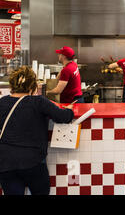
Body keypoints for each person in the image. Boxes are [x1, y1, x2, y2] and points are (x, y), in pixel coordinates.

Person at [0, 66, 74, 195]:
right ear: (32, 85)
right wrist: (70, 109)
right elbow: (64, 117)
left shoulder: (2, 102)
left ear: (12, 85)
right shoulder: (39, 102)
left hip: (6, 162)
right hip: (33, 162)